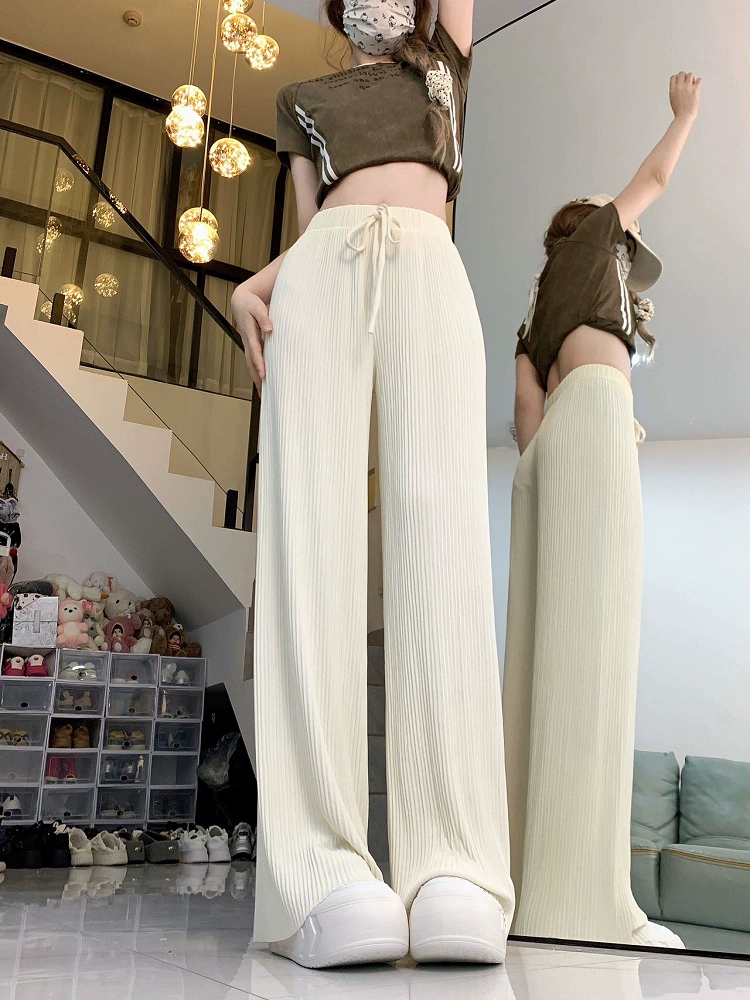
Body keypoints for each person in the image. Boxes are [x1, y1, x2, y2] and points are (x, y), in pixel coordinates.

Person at [231, 0, 514, 972]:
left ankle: (455, 864)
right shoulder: (300, 97)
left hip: (433, 271)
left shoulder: (443, 70)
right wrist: (253, 284)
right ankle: (320, 872)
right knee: (310, 537)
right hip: (321, 282)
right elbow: (316, 229)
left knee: (442, 542)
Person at [502, 73, 702, 946]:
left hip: (546, 454)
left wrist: (552, 462)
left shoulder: (533, 312)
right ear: (595, 227)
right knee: (598, 650)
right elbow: (652, 180)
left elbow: (524, 415)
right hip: (592, 423)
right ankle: (587, 896)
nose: (630, 250)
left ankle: (533, 880)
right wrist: (684, 115)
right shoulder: (596, 238)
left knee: (549, 648)